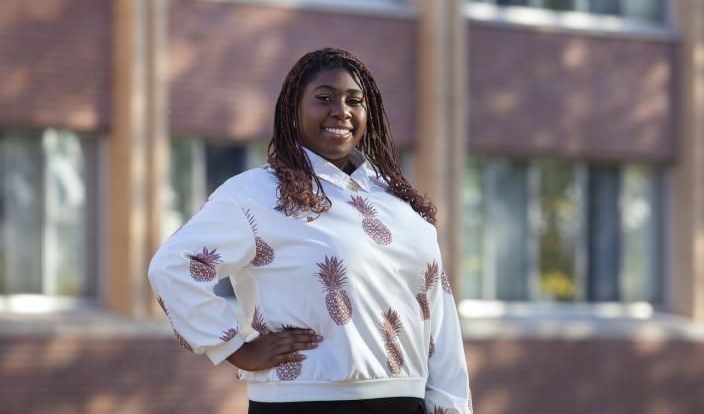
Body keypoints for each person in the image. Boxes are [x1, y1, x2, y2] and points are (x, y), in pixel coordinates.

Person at [148, 48, 472, 414]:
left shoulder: (398, 203)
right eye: (324, 98)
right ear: (293, 110)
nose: (342, 111)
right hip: (305, 402)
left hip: (408, 401)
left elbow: (440, 321)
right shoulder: (256, 194)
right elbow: (174, 266)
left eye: (354, 101)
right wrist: (235, 348)